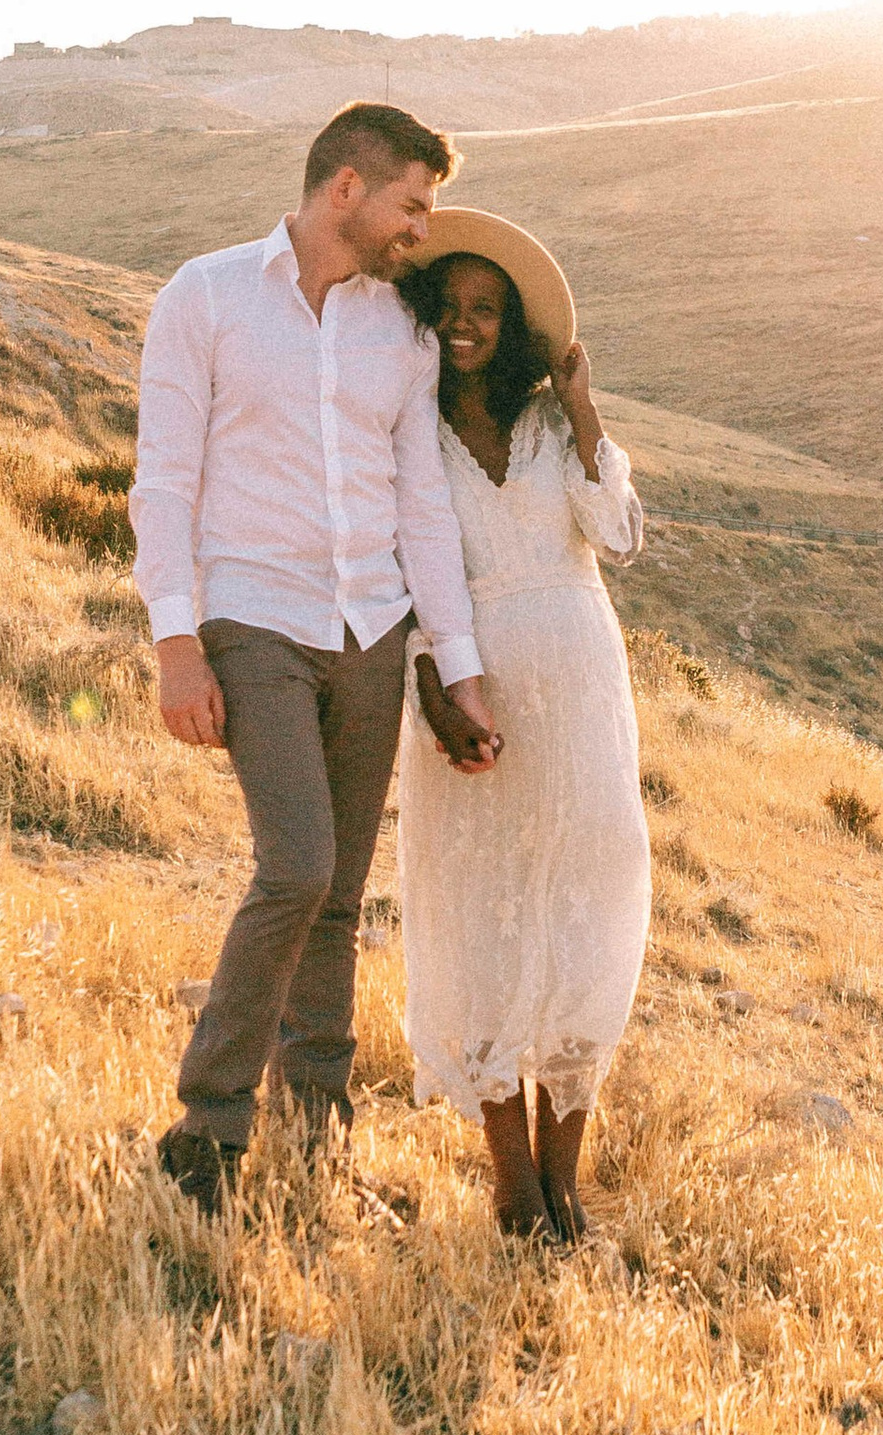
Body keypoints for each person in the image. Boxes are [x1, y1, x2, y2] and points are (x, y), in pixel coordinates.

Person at [129, 103, 502, 1213]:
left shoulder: (403, 327)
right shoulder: (203, 296)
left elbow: (421, 503)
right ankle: (207, 1128)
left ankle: (316, 1128)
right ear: (347, 187)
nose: (418, 232)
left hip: (371, 629)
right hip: (250, 617)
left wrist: (457, 660)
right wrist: (175, 645)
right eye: (411, 205)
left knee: (337, 894)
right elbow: (163, 481)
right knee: (293, 867)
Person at [394, 213, 649, 1241]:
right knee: (479, 915)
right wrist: (432, 689)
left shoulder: (549, 426)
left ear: (514, 326)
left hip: (583, 688)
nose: (465, 326)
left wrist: (583, 407)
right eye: (448, 309)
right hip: (472, 685)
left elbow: (619, 535)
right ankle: (512, 1186)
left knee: (586, 905)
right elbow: (402, 575)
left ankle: (565, 1176)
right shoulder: (404, 428)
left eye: (485, 311)